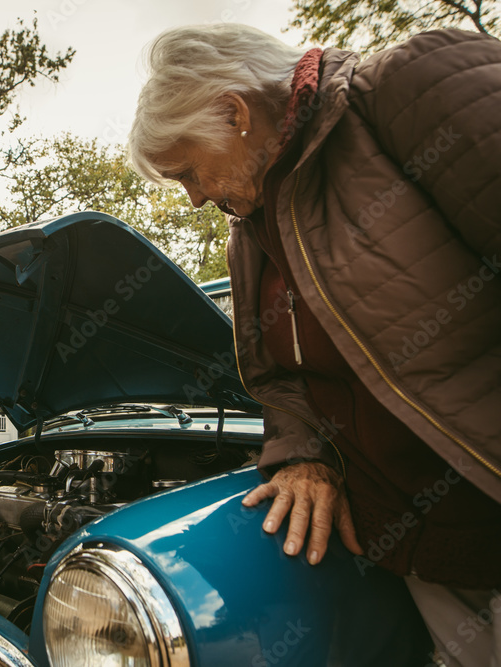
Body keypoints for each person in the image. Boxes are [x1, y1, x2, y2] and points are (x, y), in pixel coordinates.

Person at [129, 24, 501, 666]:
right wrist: (303, 454)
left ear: (232, 111)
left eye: (187, 171)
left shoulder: (409, 85)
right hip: (422, 541)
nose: (192, 198)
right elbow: (279, 379)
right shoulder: (249, 236)